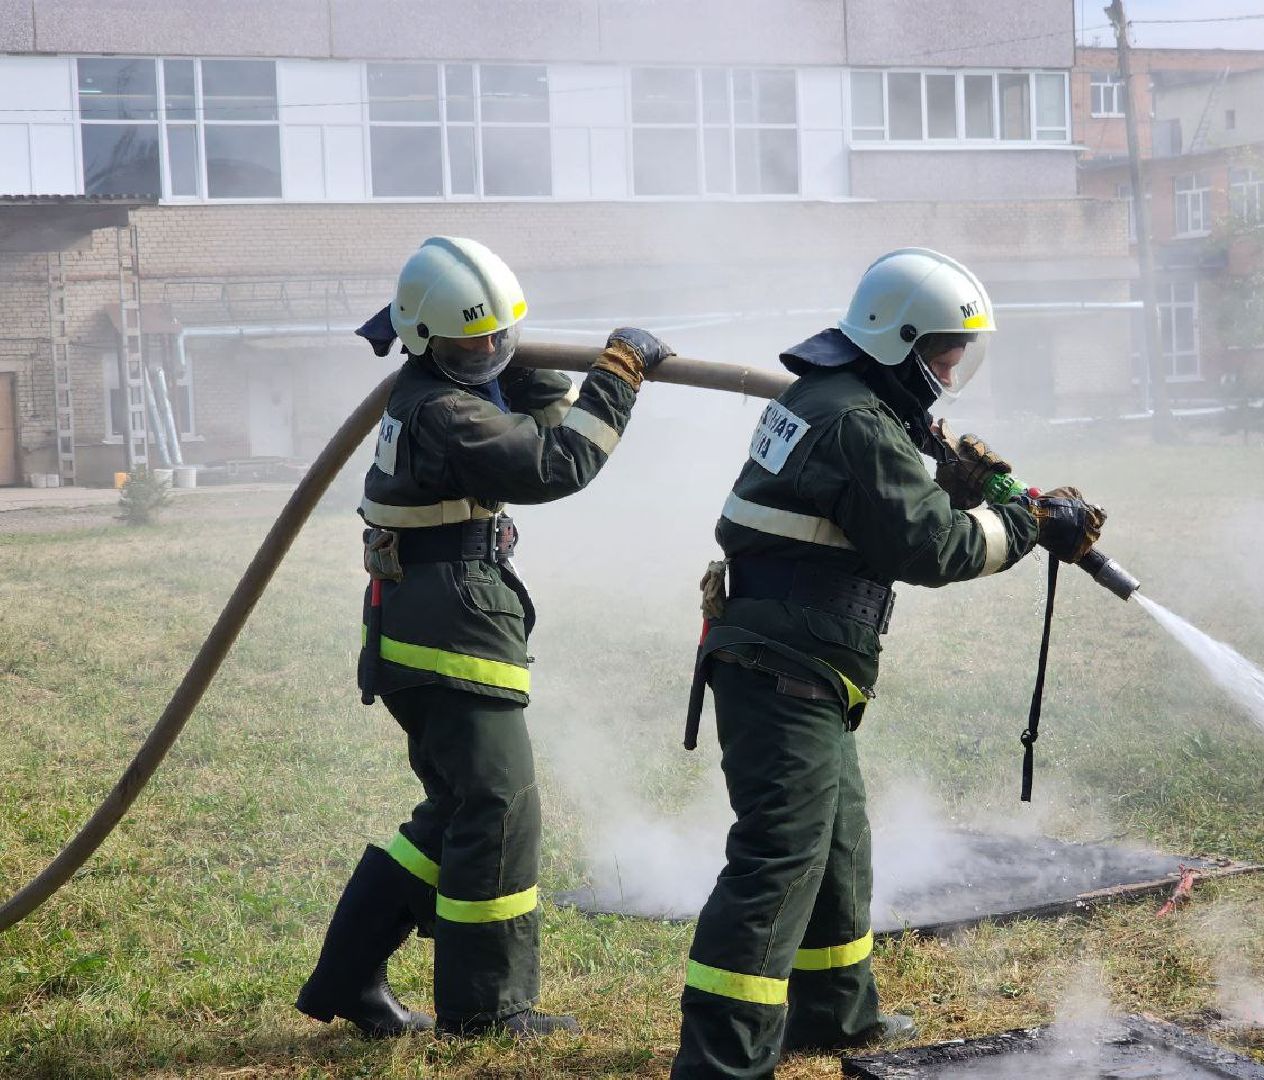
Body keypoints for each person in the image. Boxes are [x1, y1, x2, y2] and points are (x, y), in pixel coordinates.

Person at [672, 248, 1105, 1077]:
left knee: (837, 844)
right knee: (779, 856)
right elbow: (930, 545)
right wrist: (1028, 523)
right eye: (943, 352)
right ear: (897, 340)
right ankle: (718, 1063)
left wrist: (947, 473)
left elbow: (860, 498)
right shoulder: (855, 420)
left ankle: (833, 1017)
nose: (950, 369)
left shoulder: (842, 400)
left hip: (799, 659)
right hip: (783, 662)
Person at [296, 235, 673, 1039]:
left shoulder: (438, 387)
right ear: (428, 338)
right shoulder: (443, 411)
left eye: (499, 335)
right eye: (473, 341)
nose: (489, 351)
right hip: (447, 635)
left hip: (432, 626)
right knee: (499, 810)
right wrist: (617, 378)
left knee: (461, 809)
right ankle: (489, 1011)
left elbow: (530, 422)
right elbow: (552, 466)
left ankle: (349, 976)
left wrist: (522, 367)